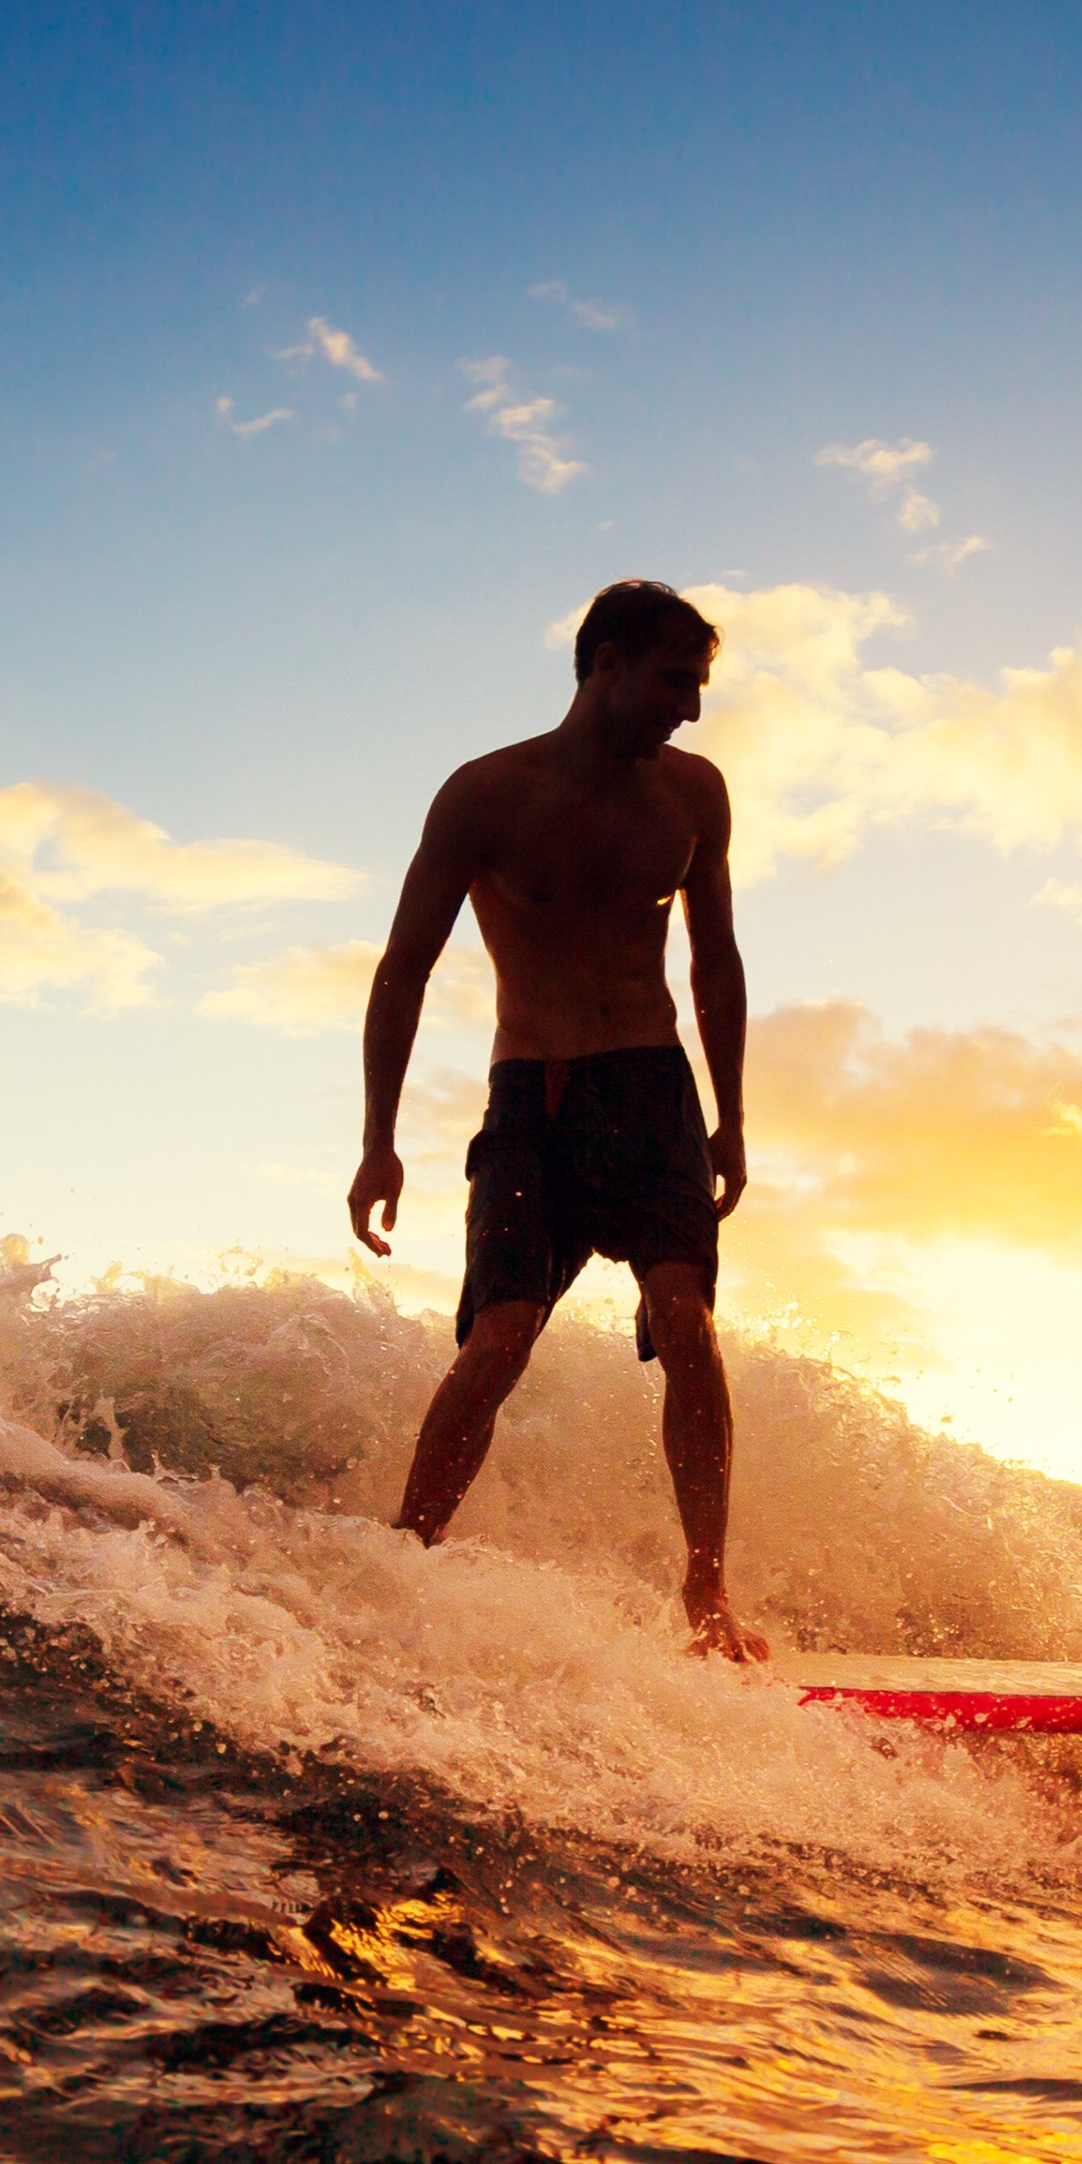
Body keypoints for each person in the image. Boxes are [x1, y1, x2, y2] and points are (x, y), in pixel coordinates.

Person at [347, 578, 765, 1660]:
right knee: (495, 1345)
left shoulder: (695, 796)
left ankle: (707, 1593)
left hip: (654, 1092)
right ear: (607, 663)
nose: (693, 708)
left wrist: (727, 1117)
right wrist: (377, 1137)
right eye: (678, 681)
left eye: (700, 684)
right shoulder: (486, 796)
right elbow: (403, 972)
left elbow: (715, 962)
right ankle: (405, 1560)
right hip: (535, 1097)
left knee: (688, 1323)